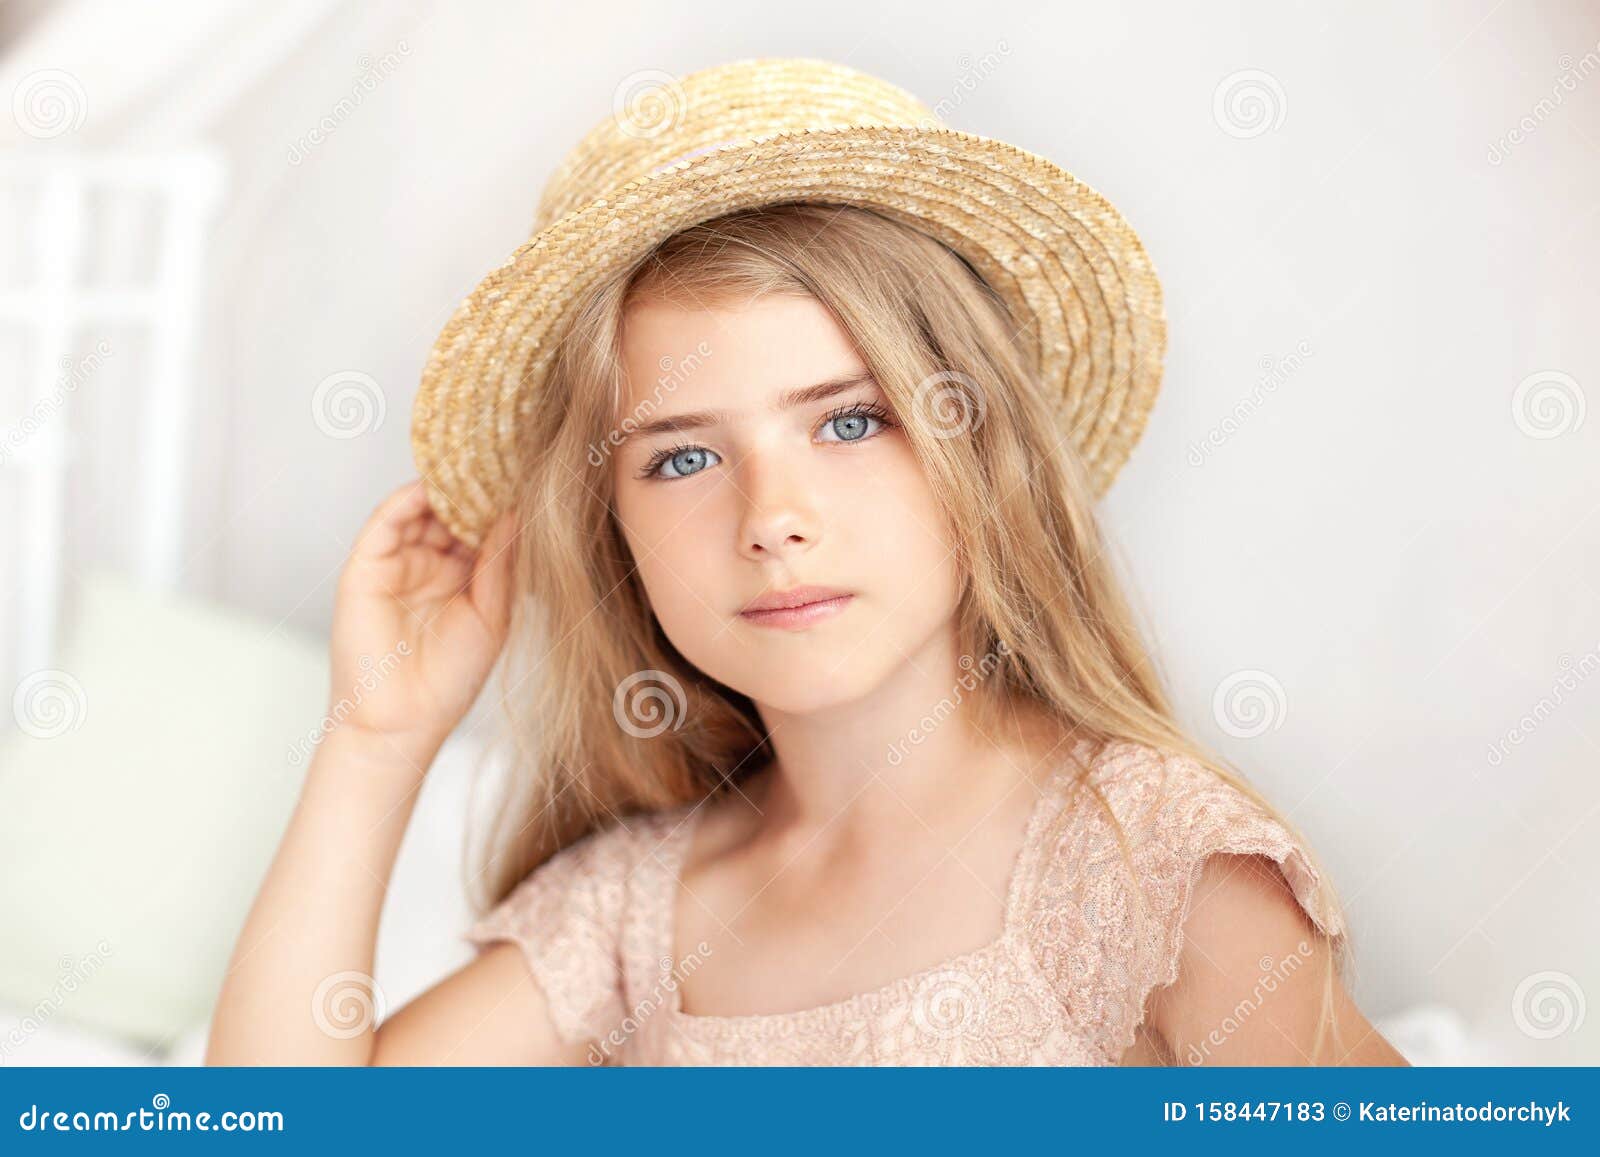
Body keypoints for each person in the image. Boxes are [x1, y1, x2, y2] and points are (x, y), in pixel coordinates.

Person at [207, 59, 1406, 1067]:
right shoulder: (634, 910)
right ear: (610, 532)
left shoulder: (1148, 863)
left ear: (981, 456)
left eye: (848, 421)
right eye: (681, 459)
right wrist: (375, 741)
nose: (771, 517)